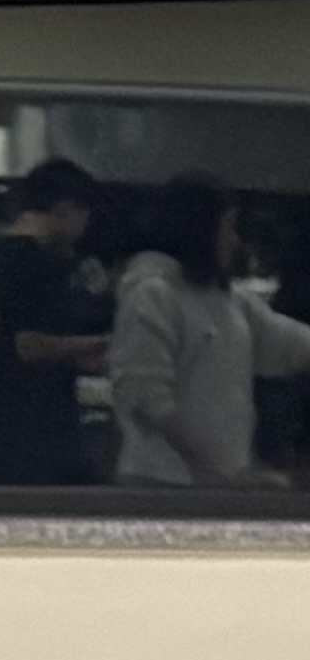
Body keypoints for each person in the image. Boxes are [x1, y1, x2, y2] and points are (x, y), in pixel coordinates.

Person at [101, 180, 310, 488]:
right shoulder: (152, 295)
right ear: (200, 232)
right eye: (228, 229)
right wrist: (213, 468)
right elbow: (147, 398)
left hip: (221, 481)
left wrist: (227, 474)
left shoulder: (232, 302)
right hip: (160, 480)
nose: (235, 242)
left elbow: (287, 343)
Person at [0, 157, 109, 486]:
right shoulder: (40, 263)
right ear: (65, 209)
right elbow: (29, 345)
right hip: (39, 433)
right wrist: (100, 344)